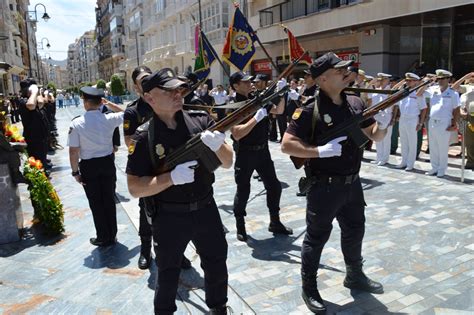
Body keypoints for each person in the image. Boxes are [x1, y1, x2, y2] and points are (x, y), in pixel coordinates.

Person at [281, 52, 387, 314]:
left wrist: (384, 126)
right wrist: (320, 152)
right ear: (323, 78)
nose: (346, 72)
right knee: (316, 238)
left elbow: (371, 133)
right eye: (339, 70)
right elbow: (287, 145)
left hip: (352, 183)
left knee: (355, 229)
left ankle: (354, 274)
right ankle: (309, 287)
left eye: (344, 68)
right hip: (324, 186)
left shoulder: (354, 102)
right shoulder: (309, 109)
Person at [126, 68, 232, 314]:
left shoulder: (201, 121)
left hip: (206, 208)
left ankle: (219, 308)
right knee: (168, 273)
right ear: (149, 97)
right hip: (169, 216)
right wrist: (170, 178)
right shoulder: (144, 137)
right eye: (169, 90)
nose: (178, 94)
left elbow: (227, 163)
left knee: (216, 264)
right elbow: (134, 188)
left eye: (179, 89)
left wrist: (219, 147)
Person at [229, 71, 293, 242]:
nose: (250, 83)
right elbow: (237, 133)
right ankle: (240, 225)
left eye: (250, 81)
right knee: (243, 190)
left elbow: (278, 110)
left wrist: (282, 93)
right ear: (235, 86)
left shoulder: (257, 99)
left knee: (274, 186)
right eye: (245, 82)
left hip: (263, 151)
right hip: (245, 152)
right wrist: (256, 119)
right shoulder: (233, 106)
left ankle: (275, 221)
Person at [67, 86, 124, 247]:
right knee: (109, 199)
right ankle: (112, 235)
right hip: (107, 163)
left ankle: (103, 236)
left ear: (85, 102)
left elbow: (73, 151)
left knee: (96, 202)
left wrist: (75, 172)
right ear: (100, 103)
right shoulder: (109, 118)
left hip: (89, 166)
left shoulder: (77, 123)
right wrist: (109, 103)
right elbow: (128, 114)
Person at [419, 69, 460, 177]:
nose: (440, 81)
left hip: (444, 122)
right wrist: (428, 82)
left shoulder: (453, 93)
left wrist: (454, 124)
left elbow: (456, 109)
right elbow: (419, 93)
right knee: (433, 146)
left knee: (442, 147)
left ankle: (442, 169)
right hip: (432, 121)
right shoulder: (433, 89)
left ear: (448, 79)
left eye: (442, 79)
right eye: (438, 79)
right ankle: (434, 167)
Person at [394, 73, 428, 171]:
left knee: (412, 142)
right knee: (403, 141)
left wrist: (420, 123)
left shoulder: (418, 93)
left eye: (410, 80)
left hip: (413, 119)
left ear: (416, 82)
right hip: (403, 118)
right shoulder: (403, 92)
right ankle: (403, 161)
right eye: (407, 80)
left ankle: (410, 163)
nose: (408, 82)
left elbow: (424, 109)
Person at [18, 79, 49, 170]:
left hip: (41, 137)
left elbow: (41, 103)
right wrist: (34, 92)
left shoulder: (33, 99)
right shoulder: (23, 101)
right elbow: (31, 105)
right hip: (33, 139)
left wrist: (37, 93)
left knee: (42, 163)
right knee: (37, 166)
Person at [369, 72, 395, 166]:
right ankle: (379, 157)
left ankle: (384, 159)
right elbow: (368, 96)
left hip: (387, 116)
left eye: (383, 79)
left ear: (387, 80)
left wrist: (393, 118)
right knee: (377, 138)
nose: (381, 81)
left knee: (386, 139)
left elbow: (394, 106)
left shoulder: (390, 91)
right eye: (380, 79)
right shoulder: (376, 90)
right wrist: (373, 81)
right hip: (377, 116)